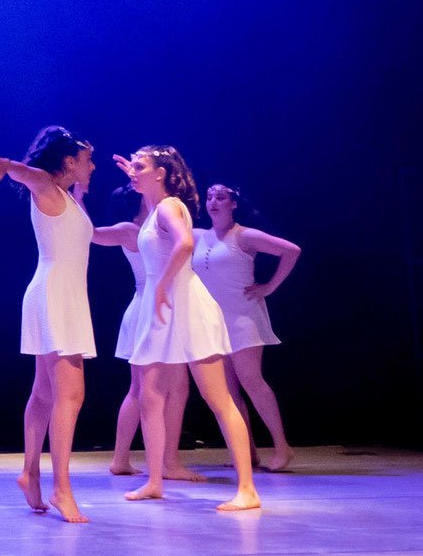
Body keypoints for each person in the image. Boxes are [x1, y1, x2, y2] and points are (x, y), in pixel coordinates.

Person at [114, 147, 260, 511]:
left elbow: (186, 243)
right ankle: (154, 480)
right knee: (149, 394)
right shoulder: (153, 210)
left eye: (141, 166)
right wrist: (135, 174)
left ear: (161, 173)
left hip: (185, 303)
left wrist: (163, 284)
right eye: (133, 166)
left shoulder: (169, 206)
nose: (134, 171)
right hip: (161, 307)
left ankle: (247, 489)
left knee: (217, 397)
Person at [0, 127, 97, 523]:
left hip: (58, 293)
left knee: (45, 392)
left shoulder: (66, 197)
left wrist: (82, 192)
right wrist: (8, 165)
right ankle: (61, 488)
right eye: (88, 159)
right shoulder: (47, 186)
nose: (93, 166)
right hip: (55, 294)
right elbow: (30, 175)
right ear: (69, 161)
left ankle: (30, 473)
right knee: (71, 394)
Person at [195, 183, 300, 472]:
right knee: (227, 390)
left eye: (221, 197)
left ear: (233, 204)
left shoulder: (244, 235)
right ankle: (246, 451)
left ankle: (282, 447)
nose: (213, 202)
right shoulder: (198, 236)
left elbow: (291, 251)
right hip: (213, 321)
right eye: (210, 197)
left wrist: (269, 287)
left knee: (251, 381)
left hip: (243, 318)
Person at [96, 189, 200, 482]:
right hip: (152, 305)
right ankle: (168, 463)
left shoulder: (153, 227)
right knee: (166, 387)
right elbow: (92, 234)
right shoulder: (133, 230)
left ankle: (125, 459)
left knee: (145, 388)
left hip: (151, 304)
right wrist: (78, 196)